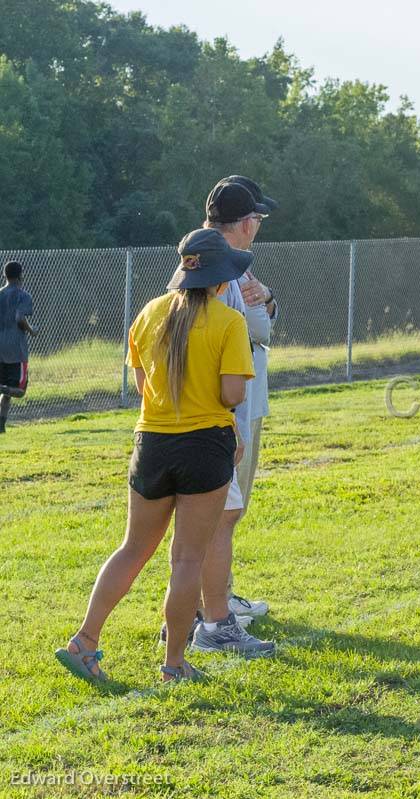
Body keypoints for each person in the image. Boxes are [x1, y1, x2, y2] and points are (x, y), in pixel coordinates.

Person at [54, 229, 255, 684]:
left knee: (132, 548)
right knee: (187, 559)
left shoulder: (148, 314)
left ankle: (84, 641)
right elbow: (231, 393)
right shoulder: (229, 323)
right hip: (205, 446)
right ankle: (174, 664)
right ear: (222, 281)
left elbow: (145, 387)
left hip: (151, 444)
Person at [202, 177, 279, 629]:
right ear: (246, 222)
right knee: (219, 512)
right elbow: (256, 333)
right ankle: (212, 608)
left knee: (227, 510)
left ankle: (220, 595)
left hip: (242, 402)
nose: (258, 226)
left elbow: (264, 321)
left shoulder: (232, 262)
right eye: (257, 218)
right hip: (229, 407)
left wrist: (267, 298)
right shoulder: (219, 265)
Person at [0, 260, 37, 434]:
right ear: (21, 275)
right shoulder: (24, 296)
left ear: (4, 275)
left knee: (7, 392)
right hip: (15, 350)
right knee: (19, 390)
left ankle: (1, 425)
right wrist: (32, 331)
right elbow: (19, 317)